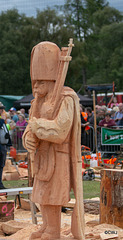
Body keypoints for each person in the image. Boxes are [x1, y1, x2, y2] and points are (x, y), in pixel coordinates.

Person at [22, 41, 84, 240]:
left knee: (53, 195)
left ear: (50, 80)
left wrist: (37, 127)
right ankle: (46, 226)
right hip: (43, 157)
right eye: (35, 82)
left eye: (41, 82)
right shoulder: (37, 102)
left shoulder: (66, 98)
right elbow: (29, 128)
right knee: (41, 193)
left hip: (59, 156)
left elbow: (60, 131)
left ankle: (53, 230)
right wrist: (28, 139)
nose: (36, 87)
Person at [0, 118, 7, 189]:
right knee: (1, 165)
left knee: (1, 166)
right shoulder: (1, 121)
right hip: (1, 146)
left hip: (2, 145)